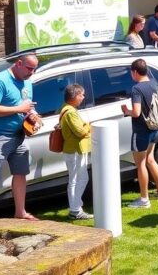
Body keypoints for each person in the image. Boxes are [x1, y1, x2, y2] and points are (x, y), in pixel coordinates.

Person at [0, 53, 39, 221]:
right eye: (29, 68)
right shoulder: (0, 81)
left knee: (21, 173)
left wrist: (33, 116)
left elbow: (27, 106)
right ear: (19, 63)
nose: (32, 73)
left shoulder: (27, 82)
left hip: (19, 136)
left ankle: (20, 212)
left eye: (34, 69)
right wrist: (20, 109)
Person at [122, 59, 158, 208]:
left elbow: (136, 112)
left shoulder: (136, 89)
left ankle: (144, 199)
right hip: (154, 128)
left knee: (141, 163)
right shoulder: (153, 83)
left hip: (141, 130)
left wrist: (125, 111)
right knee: (150, 159)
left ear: (135, 72)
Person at [60, 84, 93, 220]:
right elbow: (80, 132)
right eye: (81, 95)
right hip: (75, 150)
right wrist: (88, 126)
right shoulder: (71, 112)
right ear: (75, 96)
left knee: (74, 179)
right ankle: (75, 209)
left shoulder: (65, 109)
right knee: (80, 178)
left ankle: (76, 207)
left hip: (72, 149)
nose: (83, 97)